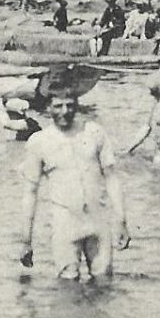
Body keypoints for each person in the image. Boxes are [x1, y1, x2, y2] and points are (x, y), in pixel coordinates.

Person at [18, 86, 128, 280]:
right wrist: (26, 239)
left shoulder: (94, 132)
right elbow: (30, 192)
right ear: (48, 108)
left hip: (98, 220)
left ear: (77, 104)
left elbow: (112, 177)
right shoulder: (39, 142)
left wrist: (121, 219)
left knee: (104, 283)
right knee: (68, 286)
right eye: (58, 106)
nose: (65, 111)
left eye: (70, 105)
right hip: (65, 223)